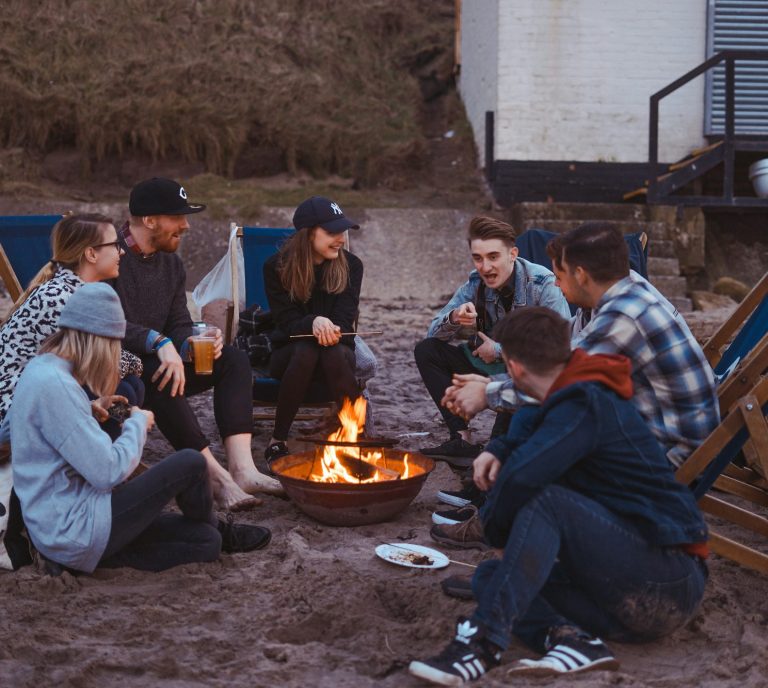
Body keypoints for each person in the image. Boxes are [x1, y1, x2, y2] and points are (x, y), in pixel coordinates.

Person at [410, 308, 709, 684]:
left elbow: (523, 479)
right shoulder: (565, 390)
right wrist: (498, 449)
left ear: (513, 368)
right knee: (490, 576)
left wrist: (497, 535)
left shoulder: (586, 400)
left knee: (545, 502)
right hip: (620, 600)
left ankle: (483, 642)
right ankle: (572, 640)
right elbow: (529, 432)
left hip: (668, 581)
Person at [8, 283, 271, 574]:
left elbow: (34, 429)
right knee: (191, 463)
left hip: (65, 529)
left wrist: (89, 408)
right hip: (75, 527)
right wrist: (137, 424)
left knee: (205, 542)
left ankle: (212, 533)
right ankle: (220, 528)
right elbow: (107, 472)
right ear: (98, 339)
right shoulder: (56, 385)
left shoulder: (43, 369)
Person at [442, 222, 719, 471]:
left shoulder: (625, 315)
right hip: (647, 423)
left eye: (559, 276)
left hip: (672, 451)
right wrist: (497, 378)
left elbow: (563, 380)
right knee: (533, 416)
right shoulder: (616, 293)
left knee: (544, 422)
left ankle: (495, 496)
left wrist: (487, 393)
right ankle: (491, 492)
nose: (555, 283)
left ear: (581, 275)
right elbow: (562, 350)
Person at [111, 177, 281, 511]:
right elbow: (104, 322)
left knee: (233, 359)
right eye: (177, 217)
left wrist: (191, 340)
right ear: (150, 220)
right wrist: (159, 342)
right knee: (160, 373)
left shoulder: (171, 264)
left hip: (164, 359)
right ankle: (215, 478)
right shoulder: (109, 255)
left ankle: (243, 469)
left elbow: (178, 321)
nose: (186, 226)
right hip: (119, 369)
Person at [414, 216, 570, 463]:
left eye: (493, 257)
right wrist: (454, 317)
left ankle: (496, 451)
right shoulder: (476, 283)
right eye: (478, 258)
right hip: (486, 366)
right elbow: (432, 333)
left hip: (524, 374)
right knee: (427, 350)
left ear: (512, 254)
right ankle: (461, 438)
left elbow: (560, 345)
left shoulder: (543, 284)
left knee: (495, 453)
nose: (485, 267)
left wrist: (498, 349)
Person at [0, 212, 144, 434]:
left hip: (42, 393)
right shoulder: (59, 298)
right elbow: (99, 365)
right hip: (15, 410)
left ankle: (109, 444)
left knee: (131, 386)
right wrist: (135, 361)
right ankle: (104, 449)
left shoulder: (74, 291)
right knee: (119, 389)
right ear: (91, 254)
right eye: (115, 245)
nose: (122, 251)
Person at [262, 196, 363, 464]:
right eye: (332, 232)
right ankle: (278, 439)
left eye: (343, 231)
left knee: (331, 351)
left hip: (337, 356)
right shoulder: (276, 267)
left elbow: (345, 320)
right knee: (307, 349)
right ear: (308, 234)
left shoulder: (352, 266)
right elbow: (286, 322)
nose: (341, 239)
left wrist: (329, 328)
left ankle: (355, 437)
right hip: (290, 357)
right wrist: (313, 322)